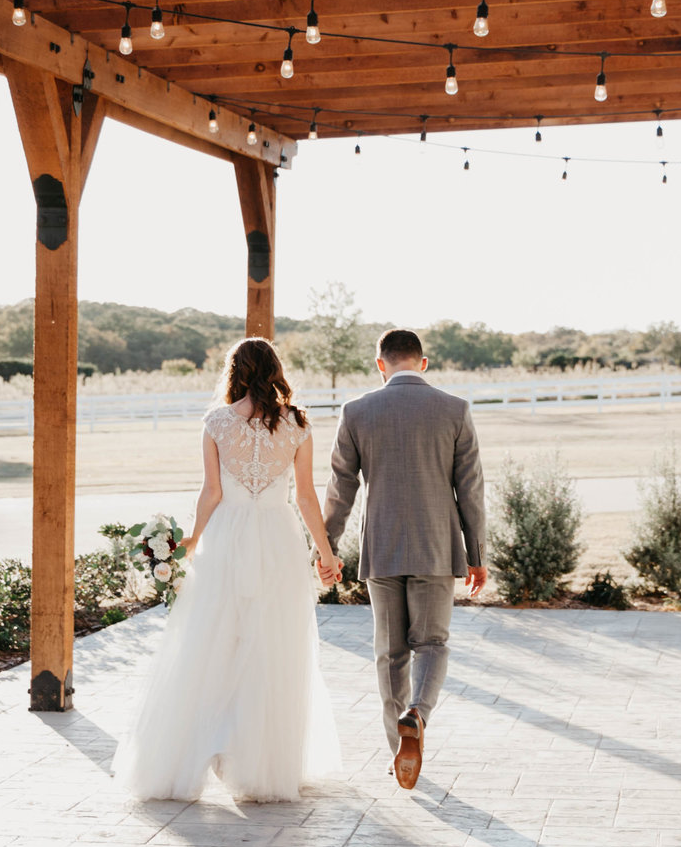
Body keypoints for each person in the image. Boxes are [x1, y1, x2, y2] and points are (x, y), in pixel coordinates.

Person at [113, 338, 344, 803]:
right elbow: (304, 497)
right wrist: (325, 555)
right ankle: (262, 766)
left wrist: (191, 544)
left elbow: (212, 493)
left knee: (213, 643)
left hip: (227, 540)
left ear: (234, 371)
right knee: (274, 649)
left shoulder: (217, 422)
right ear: (275, 369)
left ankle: (202, 752)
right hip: (278, 540)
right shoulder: (297, 423)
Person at [323, 328, 486, 789]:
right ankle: (418, 714)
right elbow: (470, 489)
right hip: (436, 546)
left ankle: (398, 750)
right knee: (432, 644)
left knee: (390, 653)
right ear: (423, 363)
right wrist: (476, 554)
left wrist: (328, 545)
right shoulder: (454, 410)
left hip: (382, 547)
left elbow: (341, 487)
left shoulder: (356, 412)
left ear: (381, 364)